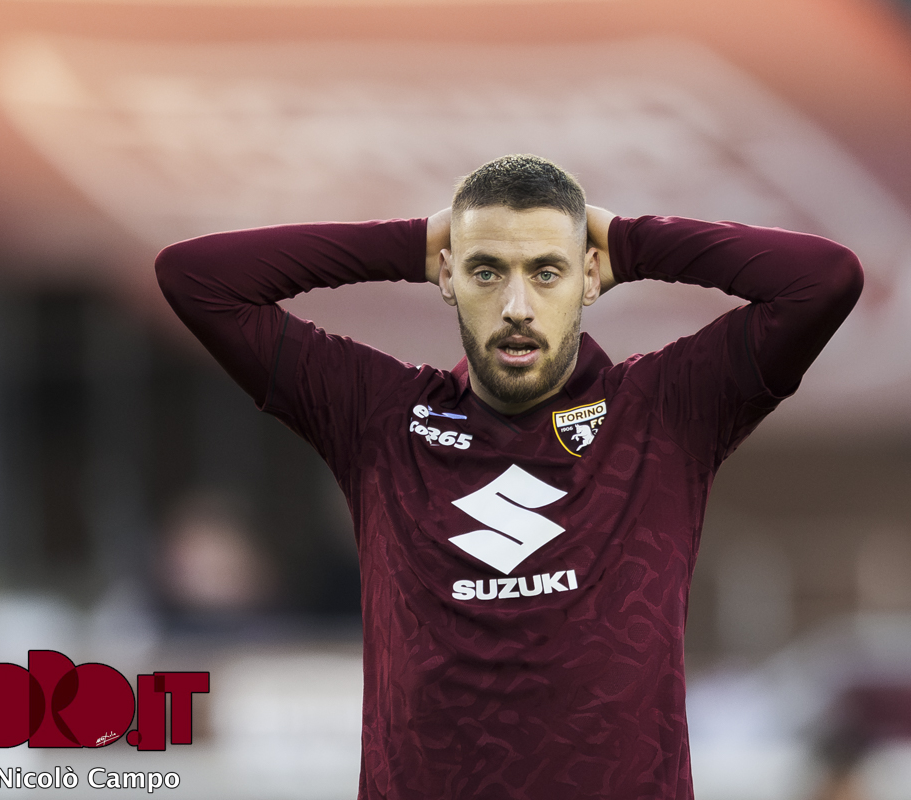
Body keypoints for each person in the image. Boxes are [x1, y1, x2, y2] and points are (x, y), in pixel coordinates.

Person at [155, 154, 863, 799]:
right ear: (447, 276)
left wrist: (632, 242)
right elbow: (196, 279)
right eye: (487, 271)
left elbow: (823, 279)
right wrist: (408, 242)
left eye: (546, 272)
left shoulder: (666, 409)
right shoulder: (378, 415)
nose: (517, 306)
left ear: (591, 277)